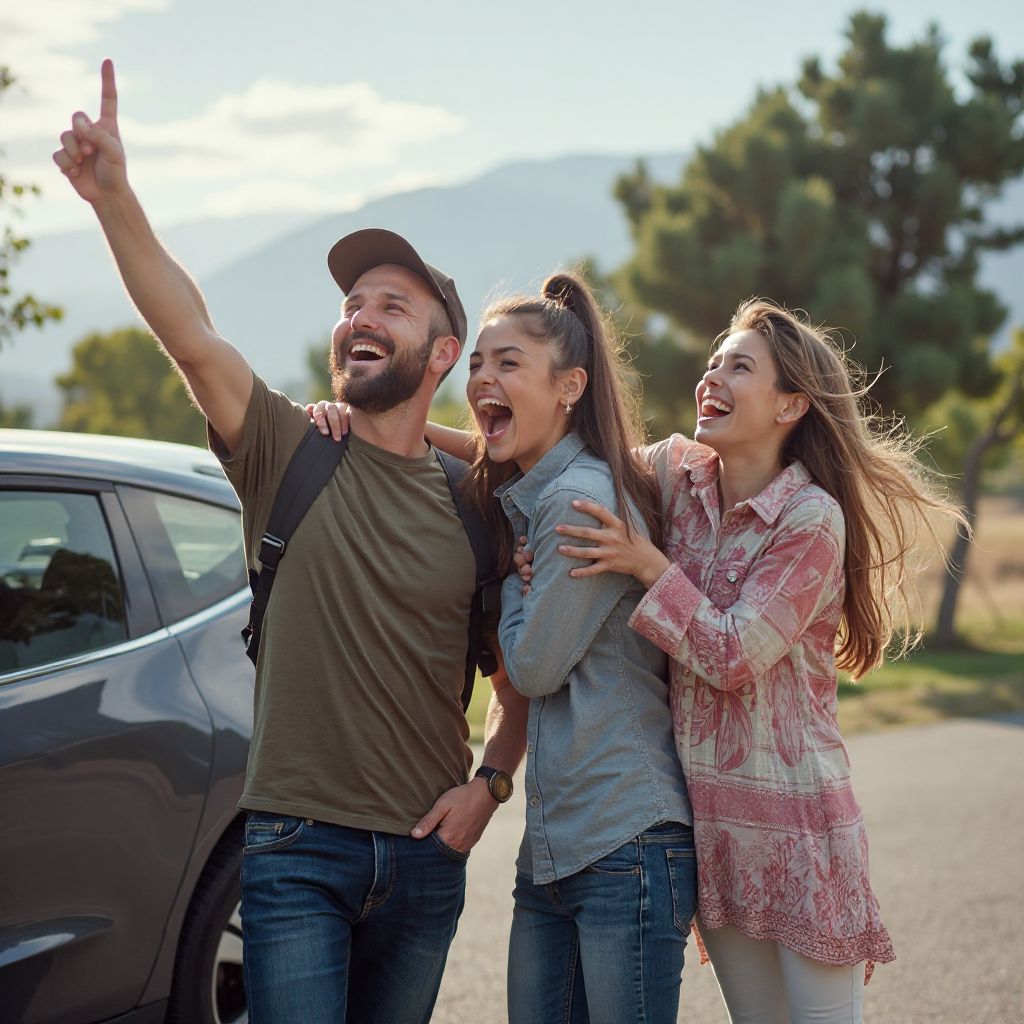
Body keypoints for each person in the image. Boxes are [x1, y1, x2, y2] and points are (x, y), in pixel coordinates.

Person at [53, 60, 528, 1023]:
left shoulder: (479, 500)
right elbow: (190, 332)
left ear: (443, 355)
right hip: (294, 849)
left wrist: (489, 787)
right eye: (354, 303)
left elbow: (516, 682)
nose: (361, 315)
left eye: (393, 306)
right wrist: (114, 201)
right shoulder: (287, 449)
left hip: (426, 859)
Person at [528, 298, 968, 1023]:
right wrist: (401, 436)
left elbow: (735, 652)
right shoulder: (677, 475)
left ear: (791, 402)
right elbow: (564, 463)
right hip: (720, 846)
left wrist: (646, 565)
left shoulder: (811, 519)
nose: (711, 377)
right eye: (711, 362)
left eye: (739, 366)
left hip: (804, 846)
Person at [313, 272, 698, 1024]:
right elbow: (484, 464)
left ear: (569, 387)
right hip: (559, 846)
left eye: (509, 364)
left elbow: (529, 668)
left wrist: (516, 581)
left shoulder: (574, 498)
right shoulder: (537, 487)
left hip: (628, 841)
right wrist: (388, 422)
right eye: (478, 365)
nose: (484, 379)